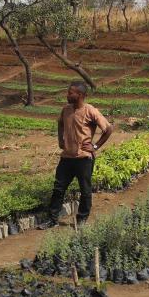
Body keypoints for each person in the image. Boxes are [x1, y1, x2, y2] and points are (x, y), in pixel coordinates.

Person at [38, 81, 113, 230]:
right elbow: (60, 123)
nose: (67, 95)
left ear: (80, 95)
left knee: (85, 190)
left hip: (84, 158)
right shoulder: (66, 110)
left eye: (70, 92)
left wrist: (95, 146)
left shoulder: (90, 110)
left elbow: (108, 129)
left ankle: (82, 219)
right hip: (66, 158)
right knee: (58, 189)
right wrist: (61, 140)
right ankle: (53, 219)